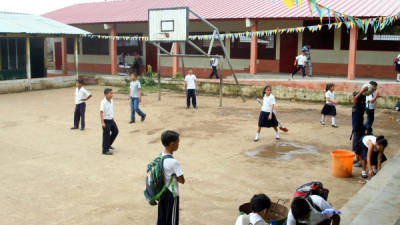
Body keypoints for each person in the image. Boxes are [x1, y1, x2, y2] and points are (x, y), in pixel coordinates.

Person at [157, 130, 185, 225]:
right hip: (171, 194)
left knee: (162, 218)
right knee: (172, 220)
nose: (178, 144)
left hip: (162, 191)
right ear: (172, 144)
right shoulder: (173, 162)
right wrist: (174, 175)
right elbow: (182, 180)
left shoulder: (160, 156)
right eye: (178, 142)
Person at [352, 86, 369, 167]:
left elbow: (356, 98)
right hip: (358, 128)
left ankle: (360, 161)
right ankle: (358, 159)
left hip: (358, 129)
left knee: (357, 146)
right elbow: (357, 98)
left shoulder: (358, 106)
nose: (353, 99)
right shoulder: (361, 105)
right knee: (357, 146)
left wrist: (362, 91)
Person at [100, 88, 119, 155]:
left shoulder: (111, 100)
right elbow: (101, 112)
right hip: (106, 121)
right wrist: (102, 122)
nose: (112, 95)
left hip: (111, 119)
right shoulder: (103, 102)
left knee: (116, 131)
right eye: (110, 93)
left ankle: (108, 144)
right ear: (105, 94)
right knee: (106, 135)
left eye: (112, 93)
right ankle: (105, 150)